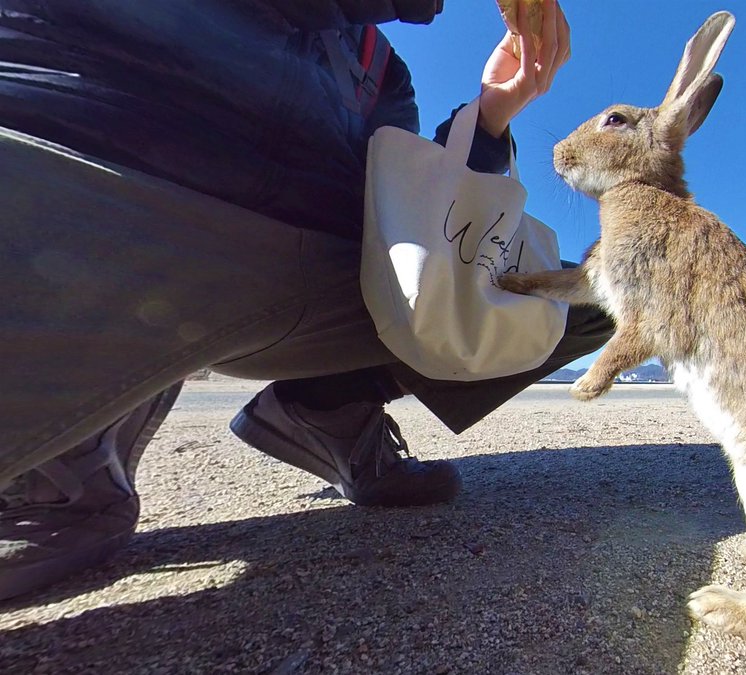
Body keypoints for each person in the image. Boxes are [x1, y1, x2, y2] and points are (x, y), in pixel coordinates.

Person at [0, 0, 611, 601]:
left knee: (593, 297)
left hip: (298, 270)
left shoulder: (378, 62)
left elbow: (404, 196)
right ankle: (54, 463)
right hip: (90, 197)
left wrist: (490, 117)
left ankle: (328, 407)